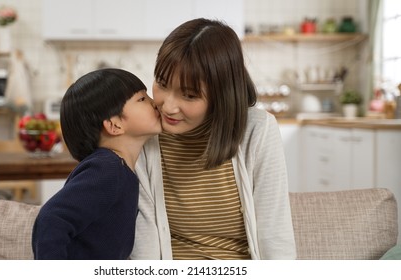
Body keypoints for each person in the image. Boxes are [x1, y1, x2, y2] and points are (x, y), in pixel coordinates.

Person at [130, 18, 297, 260]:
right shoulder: (146, 137)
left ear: (222, 95)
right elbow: (143, 241)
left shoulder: (257, 131)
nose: (168, 106)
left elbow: (274, 235)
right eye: (162, 84)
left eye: (189, 95)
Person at [32, 68, 161, 259]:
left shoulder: (120, 170)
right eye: (142, 99)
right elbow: (51, 220)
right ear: (114, 125)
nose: (155, 102)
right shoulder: (107, 169)